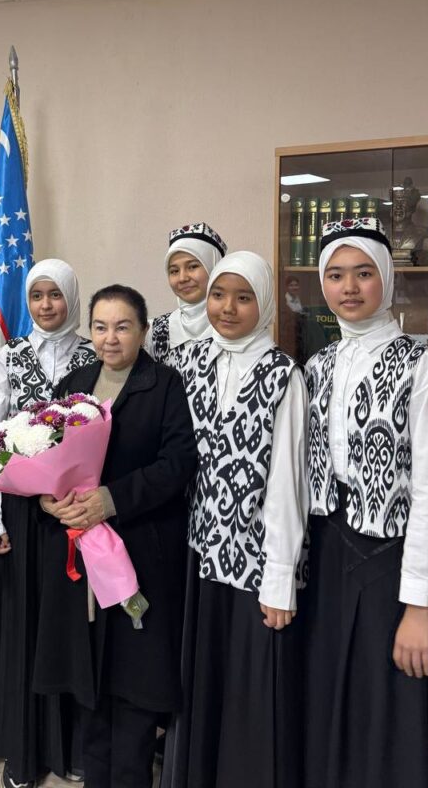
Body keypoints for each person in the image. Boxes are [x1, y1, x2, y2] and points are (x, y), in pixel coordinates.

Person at [302, 217, 428, 788]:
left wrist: (420, 603)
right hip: (325, 557)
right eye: (335, 275)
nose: (348, 287)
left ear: (387, 280)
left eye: (363, 273)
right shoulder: (318, 365)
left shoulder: (418, 365)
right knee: (327, 696)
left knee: (385, 704)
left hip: (387, 561)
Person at [33, 285, 198, 788]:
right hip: (82, 557)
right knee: (90, 682)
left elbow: (177, 465)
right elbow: (47, 457)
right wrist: (48, 499)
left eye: (123, 327)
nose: (110, 338)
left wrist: (112, 499)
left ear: (143, 331)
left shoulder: (165, 385)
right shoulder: (75, 384)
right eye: (101, 327)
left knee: (133, 684)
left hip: (140, 553)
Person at [162, 251, 308, 788]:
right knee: (198, 678)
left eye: (243, 298)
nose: (227, 308)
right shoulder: (188, 362)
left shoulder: (283, 374)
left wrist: (280, 576)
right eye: (219, 295)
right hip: (195, 552)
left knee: (248, 686)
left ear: (263, 304)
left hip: (253, 559)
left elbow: (289, 482)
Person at [0, 259, 96, 788]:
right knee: (23, 627)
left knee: (72, 629)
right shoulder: (10, 356)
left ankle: (73, 745)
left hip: (78, 512)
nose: (47, 305)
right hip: (21, 514)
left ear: (72, 297)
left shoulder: (94, 354)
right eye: (37, 296)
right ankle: (23, 748)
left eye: (56, 294)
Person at [147, 222, 227, 365]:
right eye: (174, 271)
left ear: (214, 267)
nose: (182, 278)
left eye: (193, 266)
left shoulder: (233, 326)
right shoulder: (154, 332)